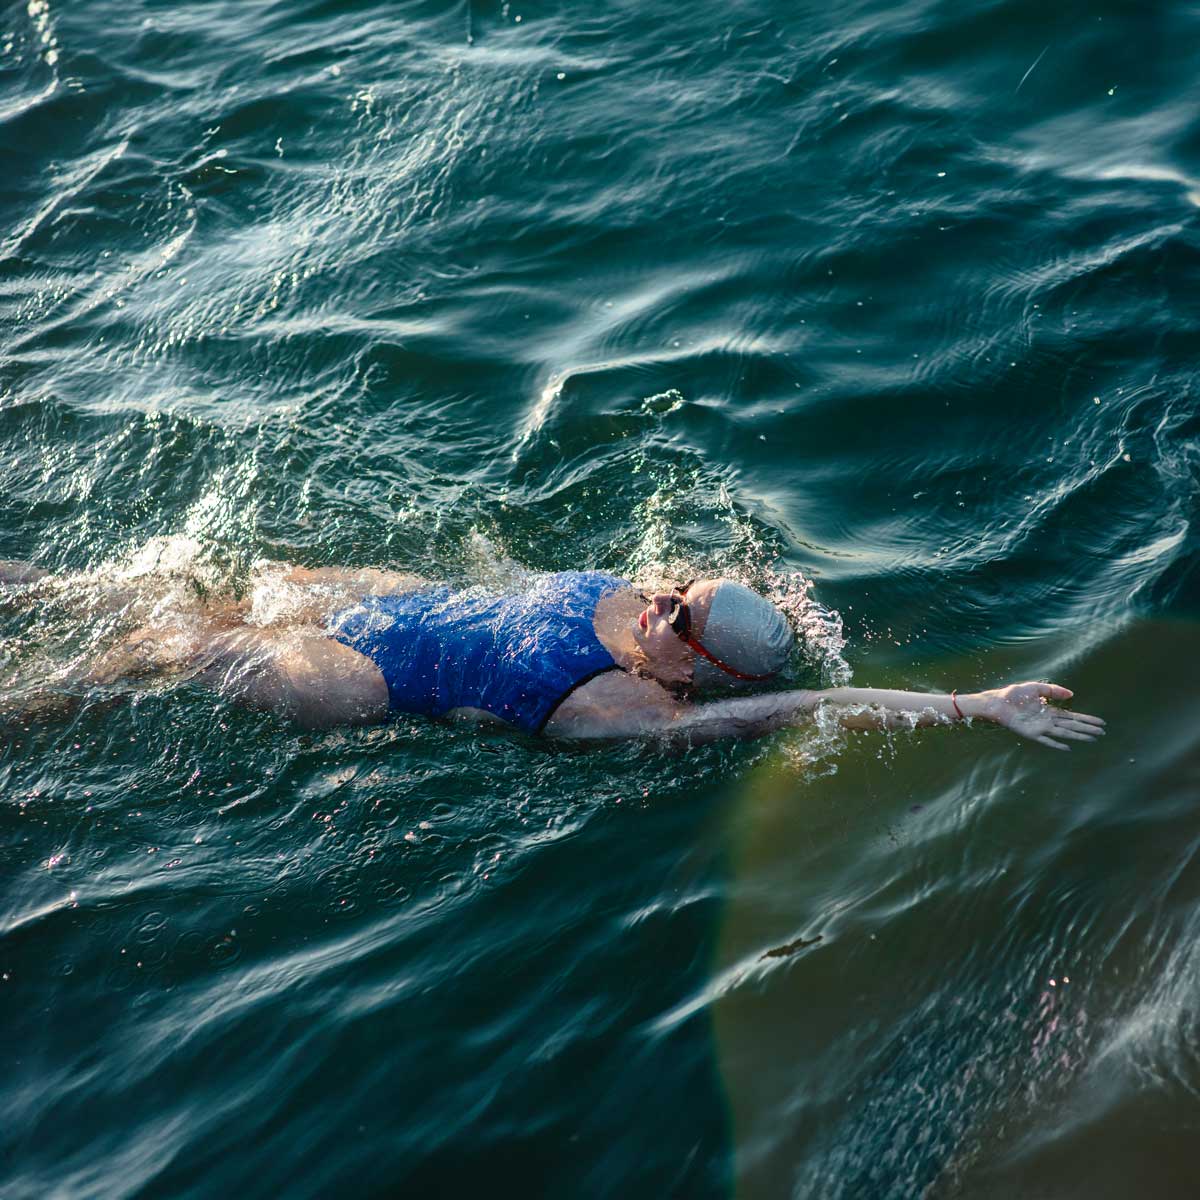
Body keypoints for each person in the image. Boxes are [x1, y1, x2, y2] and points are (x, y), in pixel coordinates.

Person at [0, 559, 1105, 748]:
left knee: (167, 644)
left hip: (373, 681)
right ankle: (36, 586)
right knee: (213, 586)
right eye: (678, 589)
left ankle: (28, 695)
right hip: (397, 607)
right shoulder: (644, 610)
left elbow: (809, 708)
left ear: (697, 674)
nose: (661, 602)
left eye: (681, 619)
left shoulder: (626, 710)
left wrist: (972, 705)